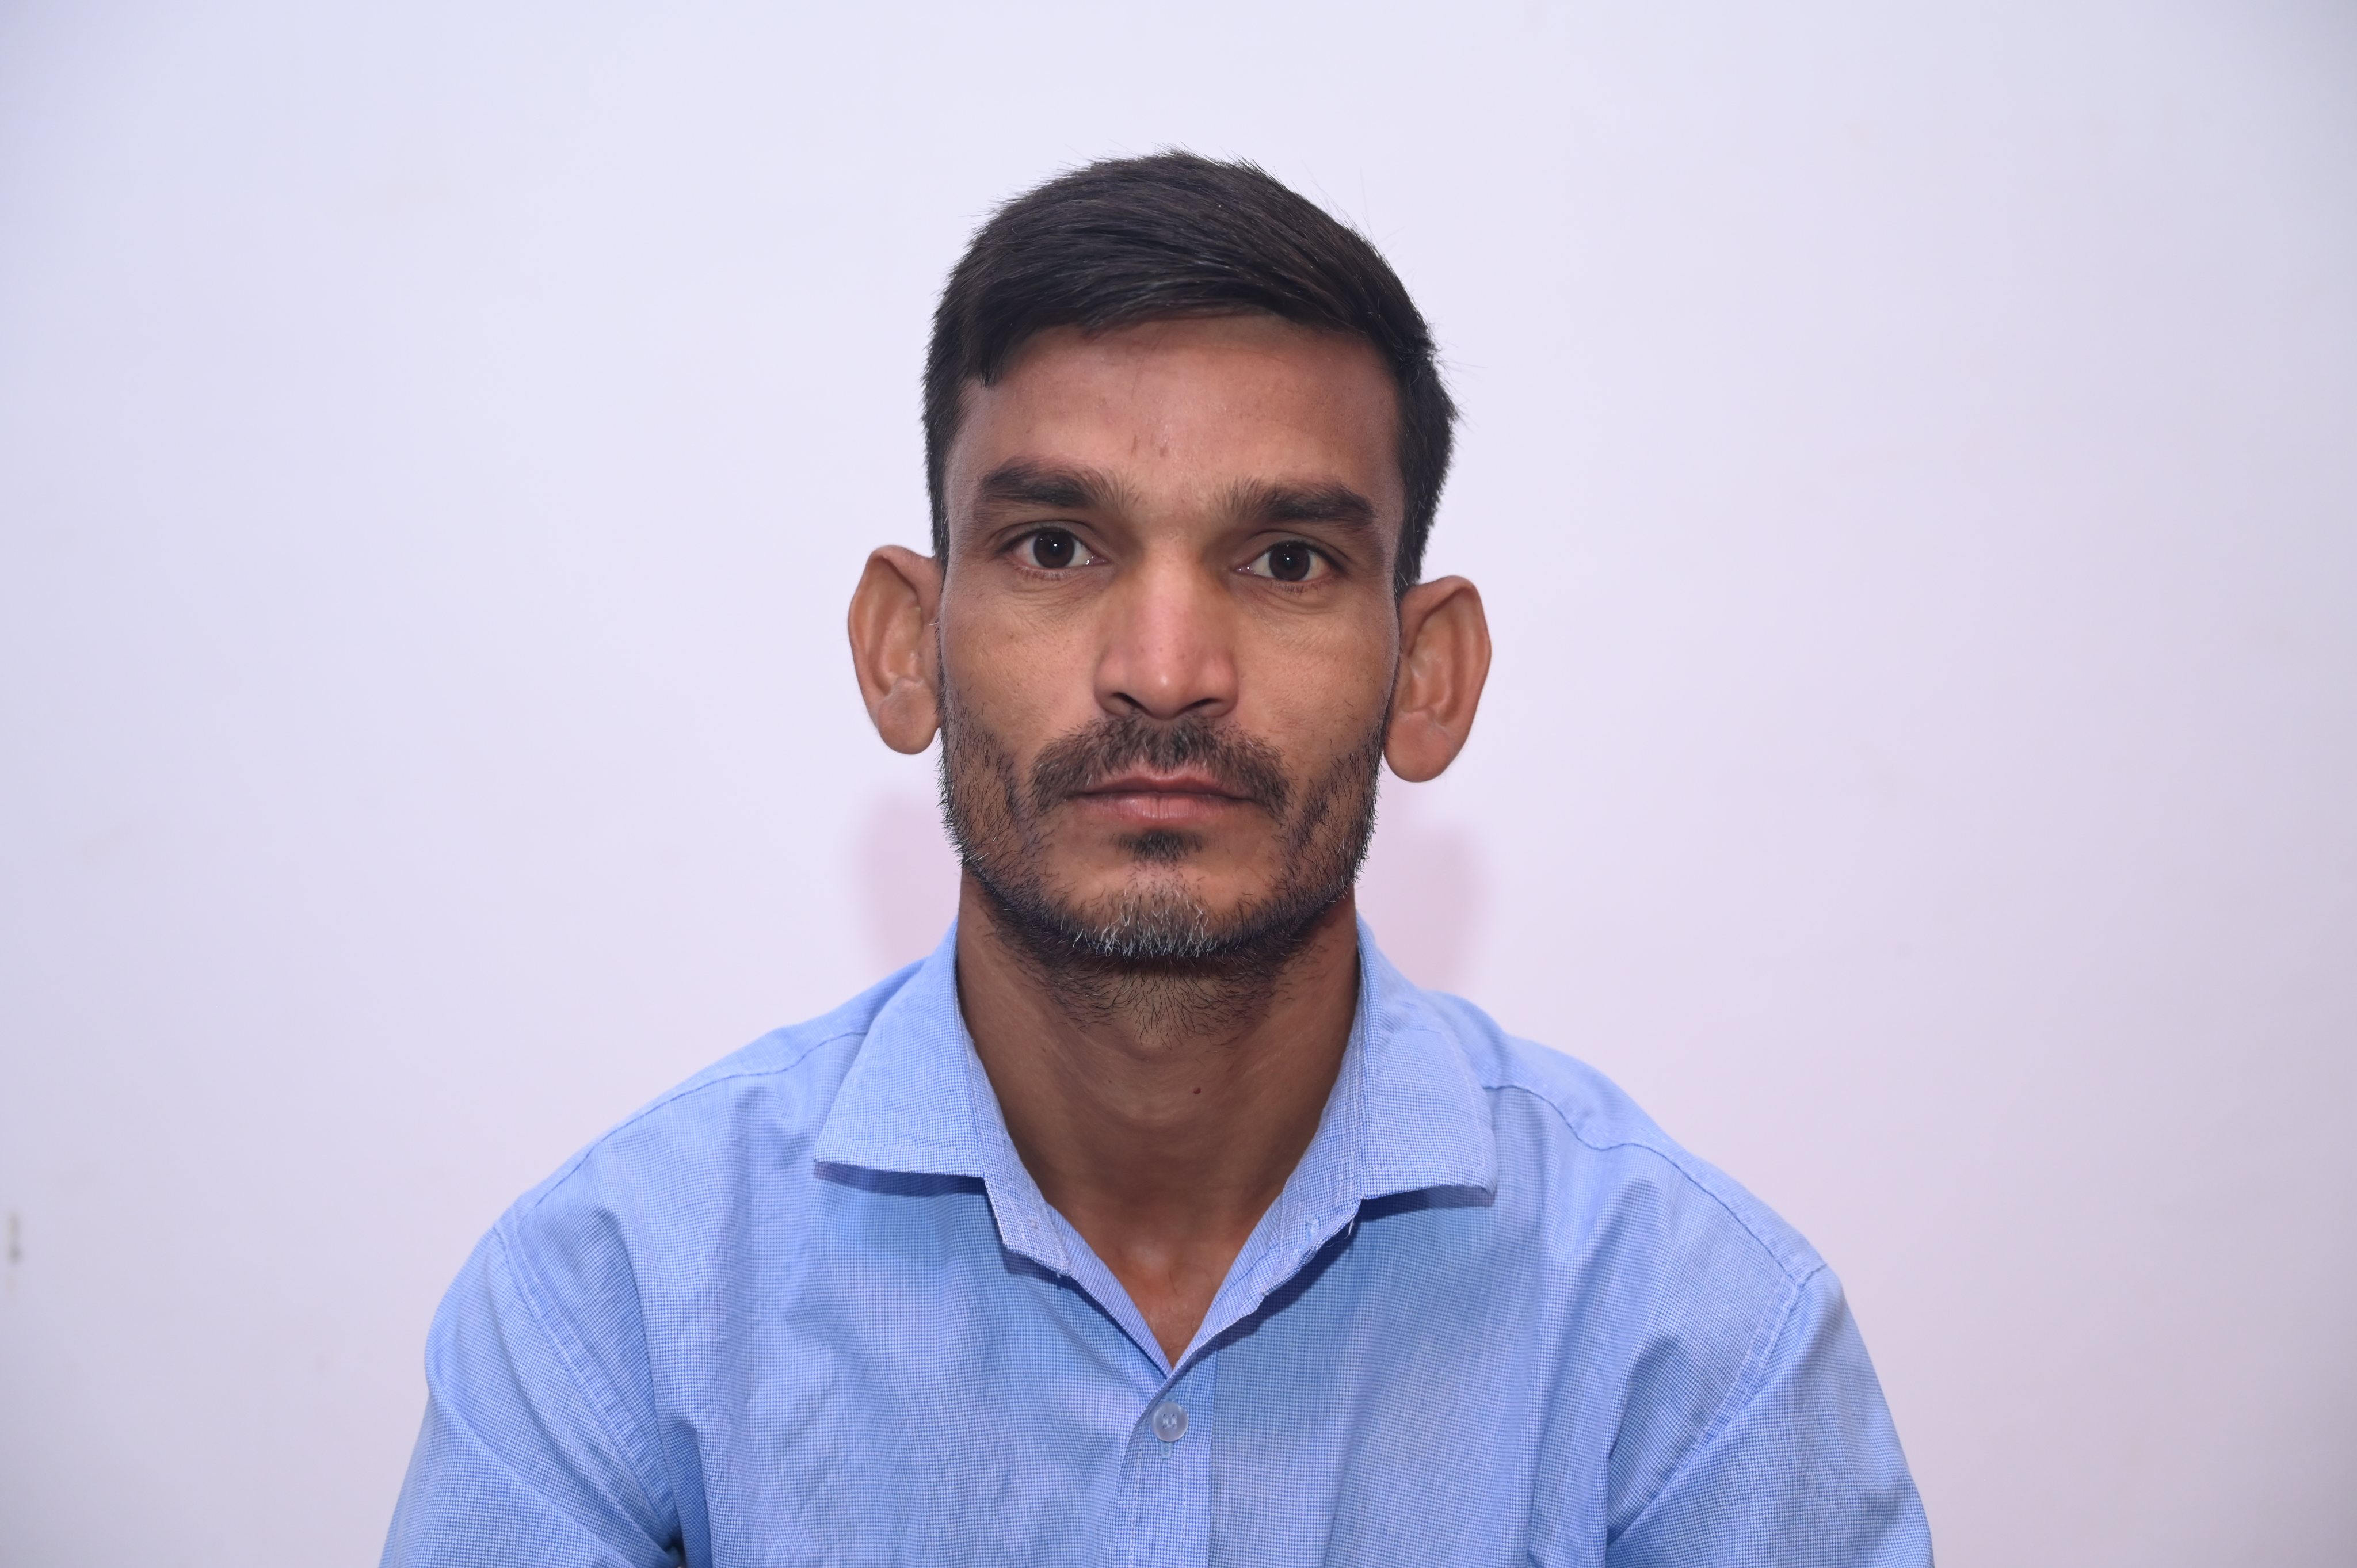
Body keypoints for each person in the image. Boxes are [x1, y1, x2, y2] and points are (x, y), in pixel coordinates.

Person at [383, 151, 1931, 1567]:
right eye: (1056, 547)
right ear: (907, 648)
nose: (1167, 671)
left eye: (1287, 561)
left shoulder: (1697, 1345)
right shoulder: (612, 1315)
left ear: (1429, 675)